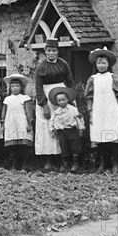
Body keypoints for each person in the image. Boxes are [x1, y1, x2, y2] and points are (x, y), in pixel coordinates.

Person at [34, 38, 75, 170]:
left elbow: (70, 81)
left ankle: (63, 159)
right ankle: (48, 159)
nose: (51, 53)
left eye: (54, 50)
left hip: (61, 95)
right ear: (45, 51)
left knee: (62, 124)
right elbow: (38, 87)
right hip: (46, 96)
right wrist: (43, 105)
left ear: (58, 51)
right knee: (47, 126)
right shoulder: (41, 67)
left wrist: (72, 97)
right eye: (49, 51)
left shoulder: (63, 64)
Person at [85, 47, 118, 173]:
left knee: (113, 137)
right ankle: (103, 162)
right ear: (95, 64)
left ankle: (115, 163)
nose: (101, 65)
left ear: (108, 64)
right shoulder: (93, 79)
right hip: (98, 111)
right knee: (100, 137)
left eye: (103, 63)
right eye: (99, 63)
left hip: (111, 109)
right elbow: (89, 97)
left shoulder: (113, 77)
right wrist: (90, 113)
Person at [1, 74, 34, 170]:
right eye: (13, 86)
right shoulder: (7, 99)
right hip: (10, 123)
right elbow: (4, 112)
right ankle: (15, 164)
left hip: (21, 122)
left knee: (23, 145)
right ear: (10, 88)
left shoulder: (25, 98)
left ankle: (25, 164)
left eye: (17, 86)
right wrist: (3, 124)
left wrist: (29, 123)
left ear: (21, 87)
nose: (15, 88)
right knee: (13, 146)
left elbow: (28, 111)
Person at [48, 87, 85, 172]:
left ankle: (75, 163)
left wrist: (81, 128)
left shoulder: (72, 109)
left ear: (67, 99)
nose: (61, 102)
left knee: (75, 146)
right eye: (59, 101)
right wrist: (52, 129)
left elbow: (79, 118)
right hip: (61, 132)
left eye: (63, 100)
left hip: (72, 130)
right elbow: (52, 121)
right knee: (64, 147)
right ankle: (65, 164)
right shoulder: (56, 112)